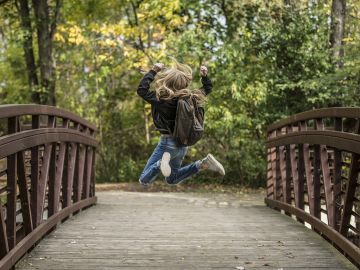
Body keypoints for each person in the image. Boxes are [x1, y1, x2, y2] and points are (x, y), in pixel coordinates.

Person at [137, 59, 225, 185]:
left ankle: (160, 163)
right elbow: (207, 88)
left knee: (143, 179)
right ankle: (202, 164)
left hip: (167, 144)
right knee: (172, 179)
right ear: (184, 83)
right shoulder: (191, 98)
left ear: (168, 81)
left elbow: (142, 90)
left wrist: (154, 70)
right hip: (182, 144)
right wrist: (204, 77)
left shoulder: (162, 99)